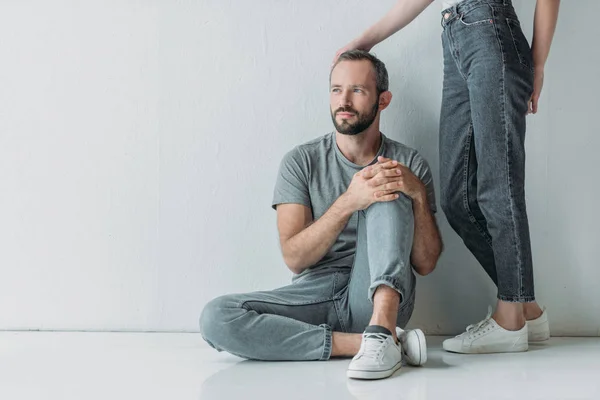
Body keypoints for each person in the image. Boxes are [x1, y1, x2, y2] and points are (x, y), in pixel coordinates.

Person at [200, 50, 442, 380]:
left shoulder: (407, 163)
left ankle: (382, 328)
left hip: (375, 298)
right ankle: (370, 343)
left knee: (386, 181)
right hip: (313, 296)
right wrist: (348, 202)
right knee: (216, 317)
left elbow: (426, 264)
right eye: (336, 89)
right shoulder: (300, 162)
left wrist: (416, 193)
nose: (344, 101)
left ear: (382, 100)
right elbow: (295, 258)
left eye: (357, 90)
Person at [335, 0, 560, 354]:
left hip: (492, 31)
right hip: (455, 35)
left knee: (497, 187)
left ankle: (510, 320)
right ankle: (526, 308)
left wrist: (539, 61)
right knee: (457, 199)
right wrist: (364, 41)